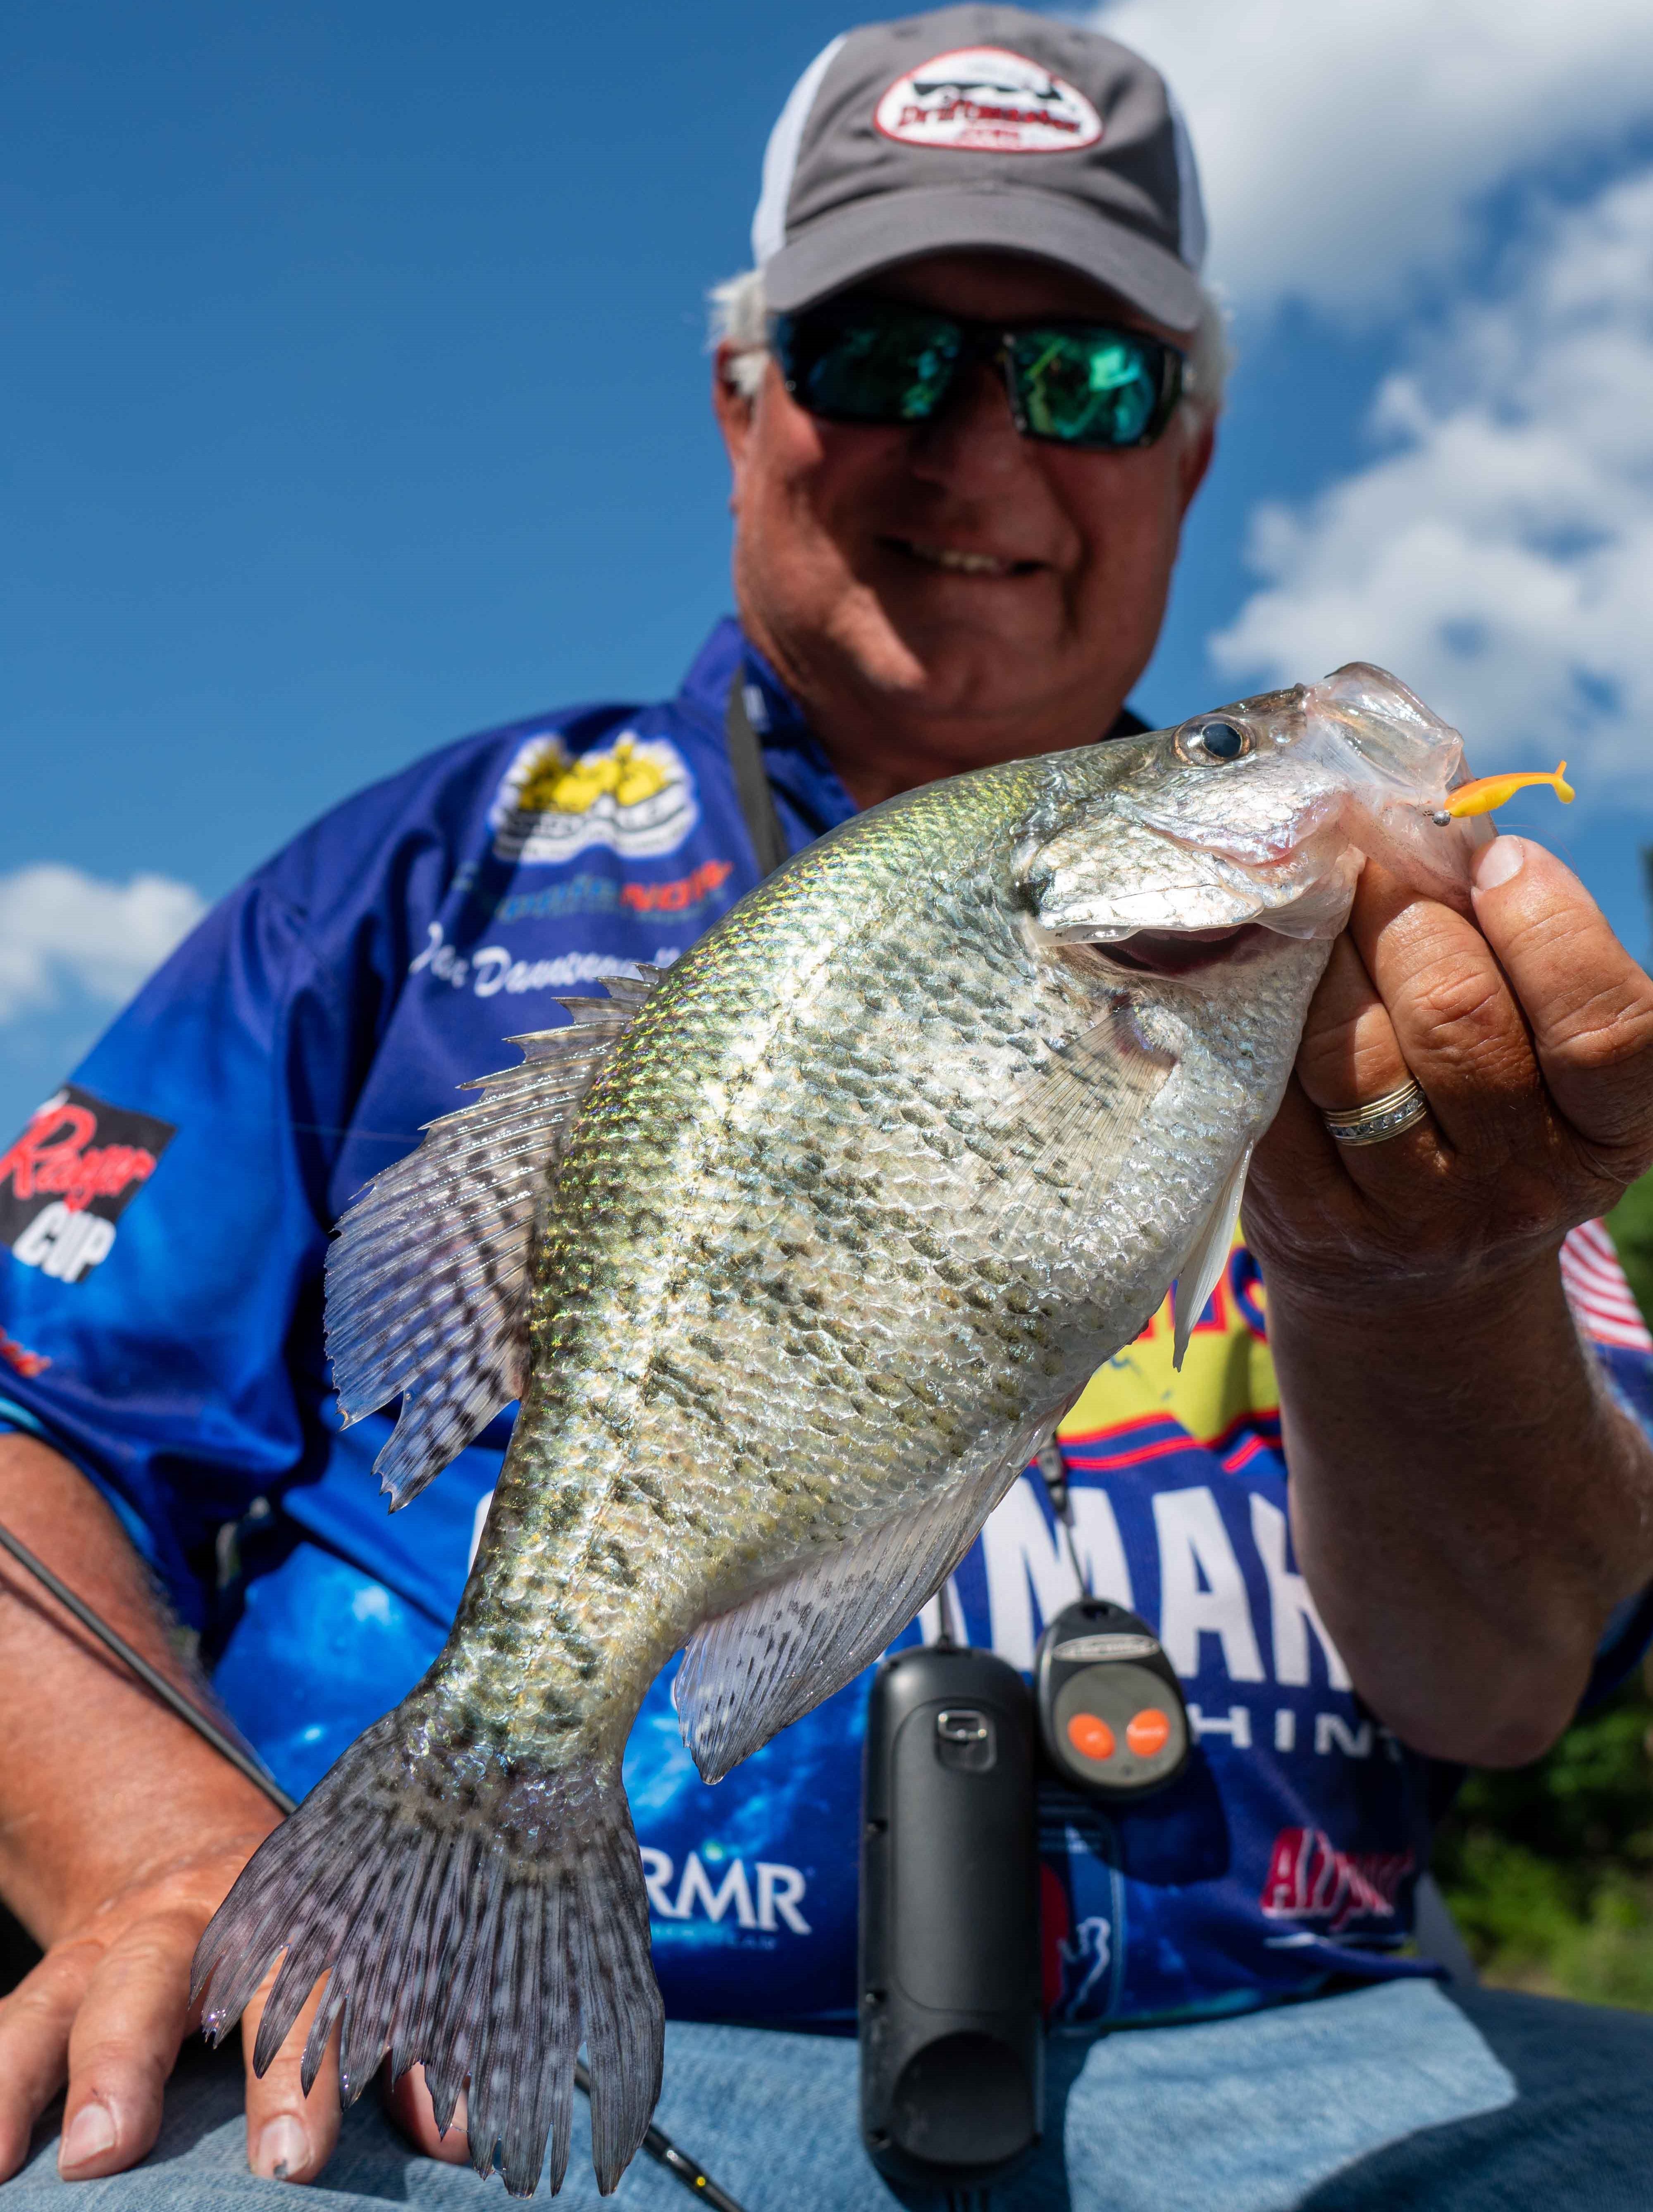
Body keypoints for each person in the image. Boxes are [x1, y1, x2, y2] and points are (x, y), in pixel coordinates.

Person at [4, 8, 1653, 2206]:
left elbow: (1516, 1679)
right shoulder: (424, 876)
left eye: (1080, 377)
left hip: (1322, 2045)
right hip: (459, 2053)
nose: (978, 456)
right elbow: (27, 1417)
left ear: (1193, 439)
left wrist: (1432, 1279)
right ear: (740, 399)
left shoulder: (1374, 993)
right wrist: (156, 1850)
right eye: (882, 356)